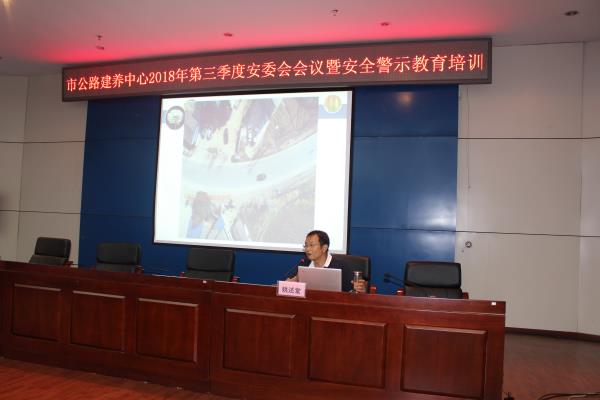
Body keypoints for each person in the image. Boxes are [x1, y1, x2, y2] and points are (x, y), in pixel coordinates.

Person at [288, 230, 367, 293]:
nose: (307, 249)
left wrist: (361, 288)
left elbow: (354, 290)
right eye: (306, 245)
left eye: (311, 245)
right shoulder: (304, 263)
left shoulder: (341, 266)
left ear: (324, 248)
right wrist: (292, 282)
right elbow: (288, 282)